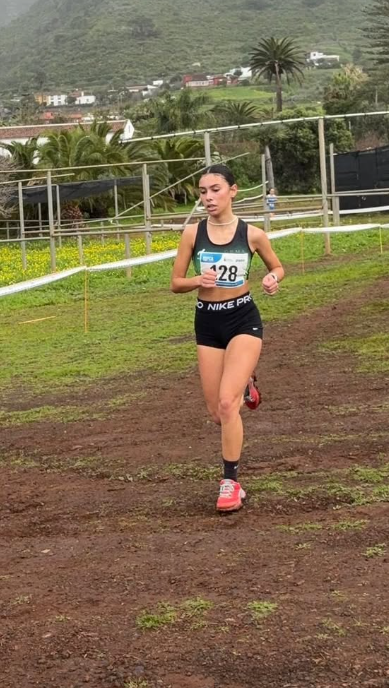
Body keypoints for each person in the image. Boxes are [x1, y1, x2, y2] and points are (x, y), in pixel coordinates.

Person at [171, 164, 285, 514]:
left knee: (225, 402)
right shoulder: (192, 234)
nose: (208, 197)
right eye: (203, 191)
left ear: (233, 191)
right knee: (218, 414)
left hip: (243, 319)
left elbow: (277, 267)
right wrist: (197, 282)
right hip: (207, 323)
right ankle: (245, 384)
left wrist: (272, 280)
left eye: (215, 189)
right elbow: (176, 283)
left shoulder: (252, 234)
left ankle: (230, 482)